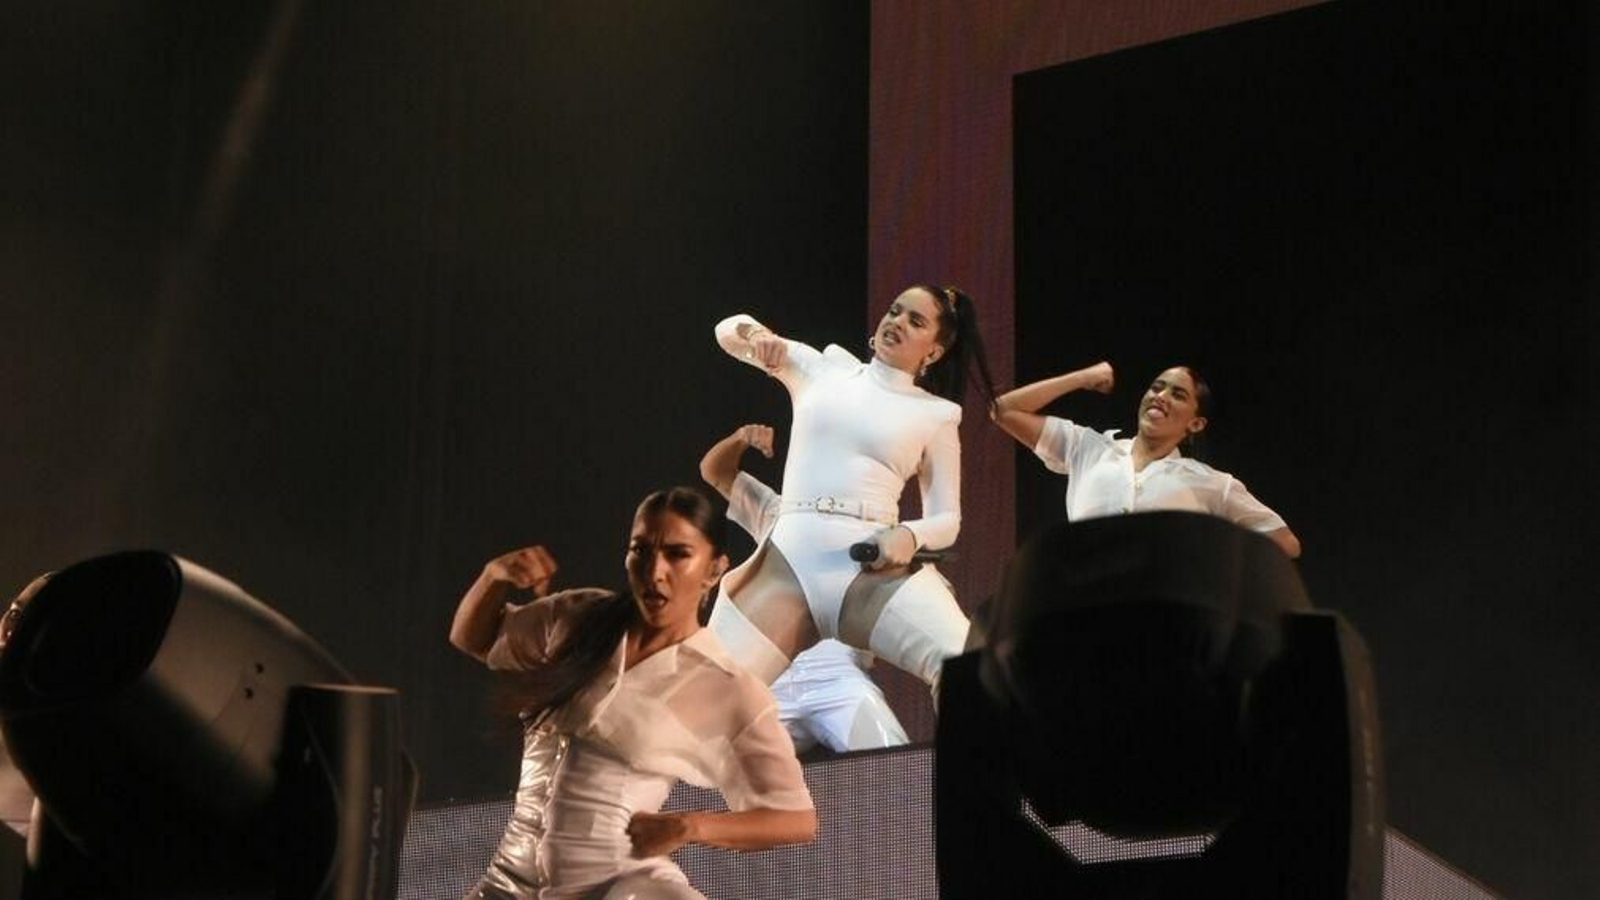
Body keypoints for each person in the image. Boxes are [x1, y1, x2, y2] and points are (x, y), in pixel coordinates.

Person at [450, 488, 817, 900]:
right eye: (640, 551)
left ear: (714, 570)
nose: (655, 570)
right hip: (506, 885)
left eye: (678, 554)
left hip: (618, 887)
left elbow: (796, 819)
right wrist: (494, 576)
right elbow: (474, 639)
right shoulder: (578, 618)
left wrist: (690, 827)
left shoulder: (726, 687)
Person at [709, 285, 996, 696]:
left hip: (869, 567)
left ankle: (968, 762)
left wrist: (910, 535)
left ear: (933, 352)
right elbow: (726, 330)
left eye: (915, 321)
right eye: (895, 311)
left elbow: (948, 520)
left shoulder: (937, 415)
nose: (896, 321)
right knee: (702, 703)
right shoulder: (822, 369)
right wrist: (758, 337)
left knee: (970, 666)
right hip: (790, 561)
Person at [699, 423, 908, 753]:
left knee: (893, 762)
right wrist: (740, 439)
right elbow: (715, 470)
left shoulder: (883, 534)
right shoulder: (780, 512)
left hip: (837, 678)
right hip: (768, 674)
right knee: (704, 761)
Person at [990, 361, 1302, 558]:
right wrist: (1083, 377)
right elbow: (1003, 410)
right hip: (1084, 607)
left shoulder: (1211, 483)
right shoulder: (1089, 448)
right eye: (1157, 387)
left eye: (1178, 395)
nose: (1161, 396)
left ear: (1195, 424)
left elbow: (1285, 542)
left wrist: (1208, 558)